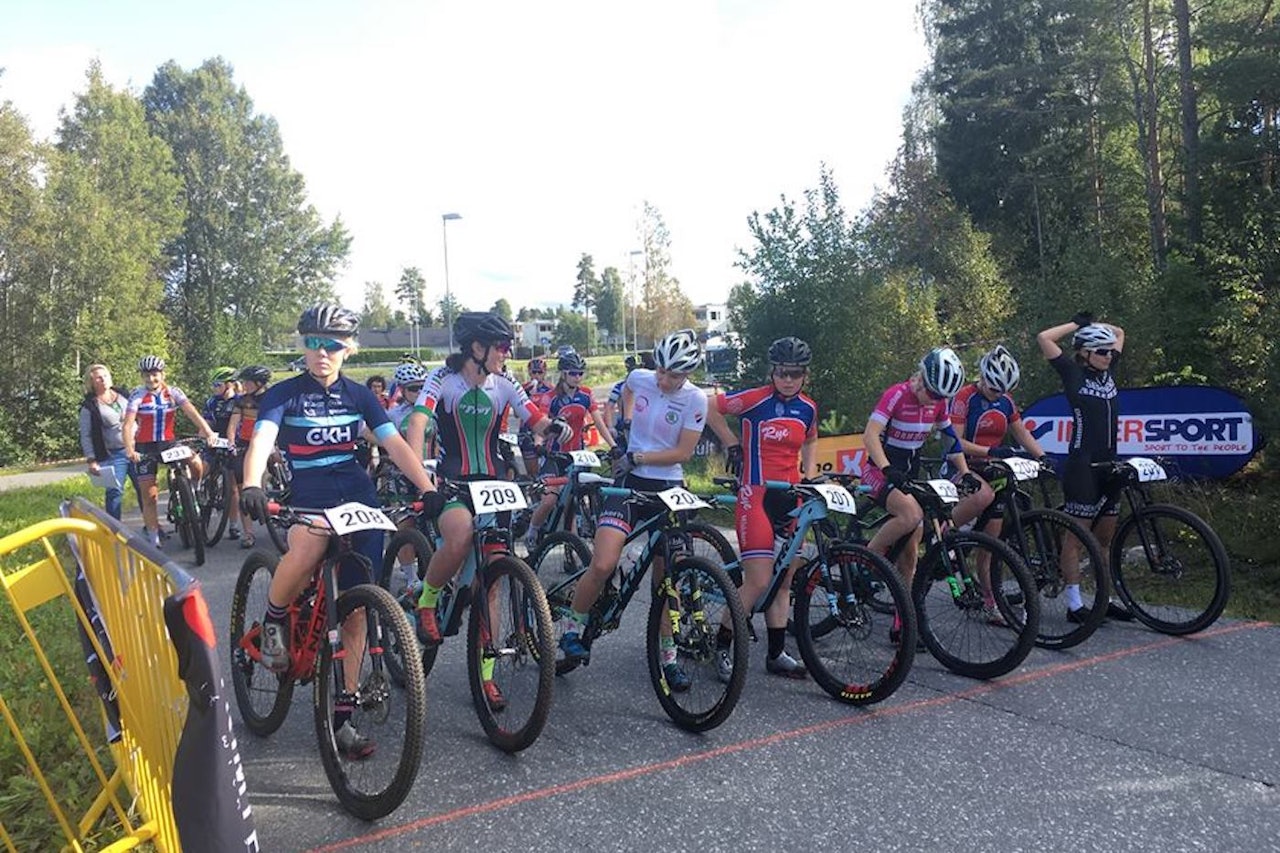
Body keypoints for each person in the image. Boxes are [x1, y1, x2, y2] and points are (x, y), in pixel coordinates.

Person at [238, 303, 437, 759]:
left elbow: (395, 445)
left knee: (358, 609)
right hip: (308, 498)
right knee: (307, 549)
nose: (321, 353)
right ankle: (273, 623)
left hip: (357, 498)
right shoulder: (283, 394)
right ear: (302, 346)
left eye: (331, 344)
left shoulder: (359, 396)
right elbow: (262, 441)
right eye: (312, 343)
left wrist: (427, 489)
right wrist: (252, 482)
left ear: (349, 349)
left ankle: (343, 714)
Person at [404, 312, 570, 711]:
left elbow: (534, 416)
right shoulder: (442, 380)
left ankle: (487, 676)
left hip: (494, 483)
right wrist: (419, 481)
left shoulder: (505, 382)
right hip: (452, 482)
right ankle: (427, 599)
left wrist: (553, 429)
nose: (507, 353)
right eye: (501, 346)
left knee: (493, 578)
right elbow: (417, 423)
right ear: (476, 348)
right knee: (460, 535)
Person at [558, 329, 708, 691]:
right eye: (661, 370)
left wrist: (637, 454)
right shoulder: (641, 378)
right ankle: (572, 628)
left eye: (674, 375)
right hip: (630, 483)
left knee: (666, 580)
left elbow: (684, 453)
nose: (664, 379)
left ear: (687, 374)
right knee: (604, 562)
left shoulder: (695, 399)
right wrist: (623, 429)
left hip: (667, 485)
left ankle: (669, 659)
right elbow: (626, 391)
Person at [704, 336, 817, 681]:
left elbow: (811, 439)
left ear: (804, 375)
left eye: (795, 373)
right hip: (756, 494)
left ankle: (776, 653)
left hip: (791, 496)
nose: (787, 379)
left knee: (785, 578)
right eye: (782, 373)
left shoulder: (808, 408)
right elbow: (709, 407)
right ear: (773, 372)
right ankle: (722, 646)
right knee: (757, 580)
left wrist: (809, 478)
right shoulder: (755, 399)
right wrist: (732, 443)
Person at [860, 347, 992, 641]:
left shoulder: (939, 403)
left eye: (940, 397)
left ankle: (901, 621)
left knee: (910, 553)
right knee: (911, 514)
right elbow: (870, 435)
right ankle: (865, 561)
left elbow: (950, 441)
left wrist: (965, 472)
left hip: (909, 473)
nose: (934, 400)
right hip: (879, 470)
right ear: (921, 378)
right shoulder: (896, 394)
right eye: (932, 393)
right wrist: (886, 467)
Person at [1036, 313, 1131, 622]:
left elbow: (1120, 331)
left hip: (1108, 465)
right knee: (1076, 539)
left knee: (1104, 539)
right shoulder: (1072, 373)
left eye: (1109, 352)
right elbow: (1044, 338)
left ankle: (1105, 599)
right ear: (1085, 353)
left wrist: (1098, 326)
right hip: (1082, 466)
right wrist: (1077, 325)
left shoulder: (1109, 368)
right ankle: (1075, 605)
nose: (1108, 356)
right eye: (1101, 352)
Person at [524, 350, 617, 549]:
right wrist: (538, 444)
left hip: (577, 456)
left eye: (580, 373)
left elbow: (599, 422)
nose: (577, 377)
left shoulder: (585, 394)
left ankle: (572, 549)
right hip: (554, 455)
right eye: (573, 373)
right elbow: (541, 424)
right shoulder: (551, 397)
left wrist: (614, 446)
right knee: (550, 500)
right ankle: (532, 531)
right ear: (563, 374)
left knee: (572, 504)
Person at [121, 356, 217, 547]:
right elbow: (128, 424)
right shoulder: (137, 395)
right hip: (145, 447)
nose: (151, 380)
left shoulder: (173, 392)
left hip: (169, 444)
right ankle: (154, 536)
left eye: (155, 375)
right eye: (147, 376)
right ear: (142, 376)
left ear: (162, 374)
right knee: (149, 496)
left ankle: (195, 488)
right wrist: (130, 449)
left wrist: (208, 432)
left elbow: (192, 413)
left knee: (195, 461)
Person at [78, 364, 133, 520]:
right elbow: (86, 435)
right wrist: (91, 460)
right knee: (114, 492)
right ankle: (114, 532)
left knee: (146, 489)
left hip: (136, 449)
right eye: (98, 378)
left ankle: (154, 529)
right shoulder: (89, 406)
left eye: (106, 376)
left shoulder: (124, 395)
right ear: (92, 382)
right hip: (113, 454)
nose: (103, 380)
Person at [226, 365, 272, 549]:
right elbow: (233, 423)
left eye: (247, 381)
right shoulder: (242, 401)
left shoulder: (272, 399)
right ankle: (248, 533)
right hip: (245, 445)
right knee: (242, 486)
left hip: (270, 443)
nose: (243, 384)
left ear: (259, 383)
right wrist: (231, 442)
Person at [203, 366, 243, 539]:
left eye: (217, 384)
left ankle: (233, 525)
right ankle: (197, 501)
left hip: (232, 445)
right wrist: (203, 438)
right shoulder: (212, 402)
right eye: (213, 384)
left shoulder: (240, 401)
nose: (214, 388)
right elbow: (206, 424)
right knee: (201, 472)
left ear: (229, 385)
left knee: (233, 488)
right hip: (215, 442)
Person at [518, 357, 554, 477]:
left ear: (545, 373)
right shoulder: (523, 389)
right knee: (531, 472)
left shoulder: (551, 390)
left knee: (545, 469)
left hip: (543, 430)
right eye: (534, 372)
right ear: (529, 372)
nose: (537, 375)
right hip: (526, 430)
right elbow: (517, 414)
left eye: (540, 372)